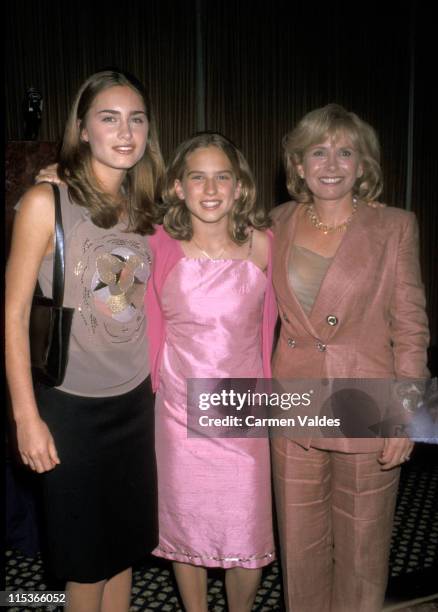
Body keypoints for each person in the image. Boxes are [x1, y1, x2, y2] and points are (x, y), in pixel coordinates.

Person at [6, 70, 164, 612]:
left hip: (134, 403)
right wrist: (27, 417)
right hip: (71, 408)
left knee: (122, 554)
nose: (125, 132)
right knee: (84, 568)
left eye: (136, 119)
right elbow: (11, 314)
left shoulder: (148, 211)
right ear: (82, 128)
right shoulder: (45, 203)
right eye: (109, 117)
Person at [270, 104, 429, 612]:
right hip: (292, 402)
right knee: (299, 548)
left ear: (364, 165)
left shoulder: (394, 226)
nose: (331, 163)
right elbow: (198, 237)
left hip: (369, 404)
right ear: (298, 165)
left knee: (363, 550)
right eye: (318, 151)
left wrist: (407, 416)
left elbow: (411, 326)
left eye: (345, 152)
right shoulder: (275, 223)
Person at [146, 132, 277, 611]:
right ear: (178, 187)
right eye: (197, 177)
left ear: (240, 186)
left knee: (247, 524)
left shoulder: (265, 247)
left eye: (223, 176)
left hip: (243, 410)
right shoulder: (155, 244)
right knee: (188, 522)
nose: (210, 188)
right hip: (179, 410)